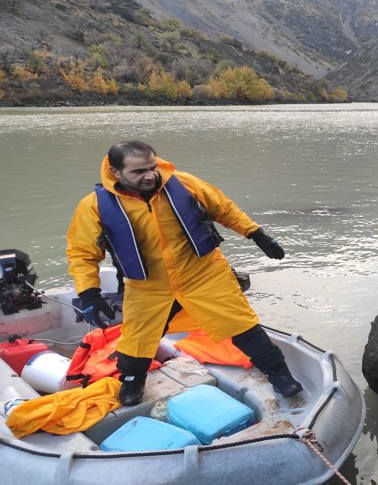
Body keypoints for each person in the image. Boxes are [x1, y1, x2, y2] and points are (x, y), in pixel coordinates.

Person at [66, 140, 302, 406]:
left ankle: (280, 375)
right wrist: (89, 293)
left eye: (152, 167)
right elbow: (82, 253)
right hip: (148, 285)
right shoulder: (93, 206)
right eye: (138, 171)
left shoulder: (184, 184)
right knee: (136, 340)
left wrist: (256, 234)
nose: (150, 175)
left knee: (243, 326)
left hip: (204, 273)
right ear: (116, 172)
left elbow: (224, 208)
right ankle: (132, 381)